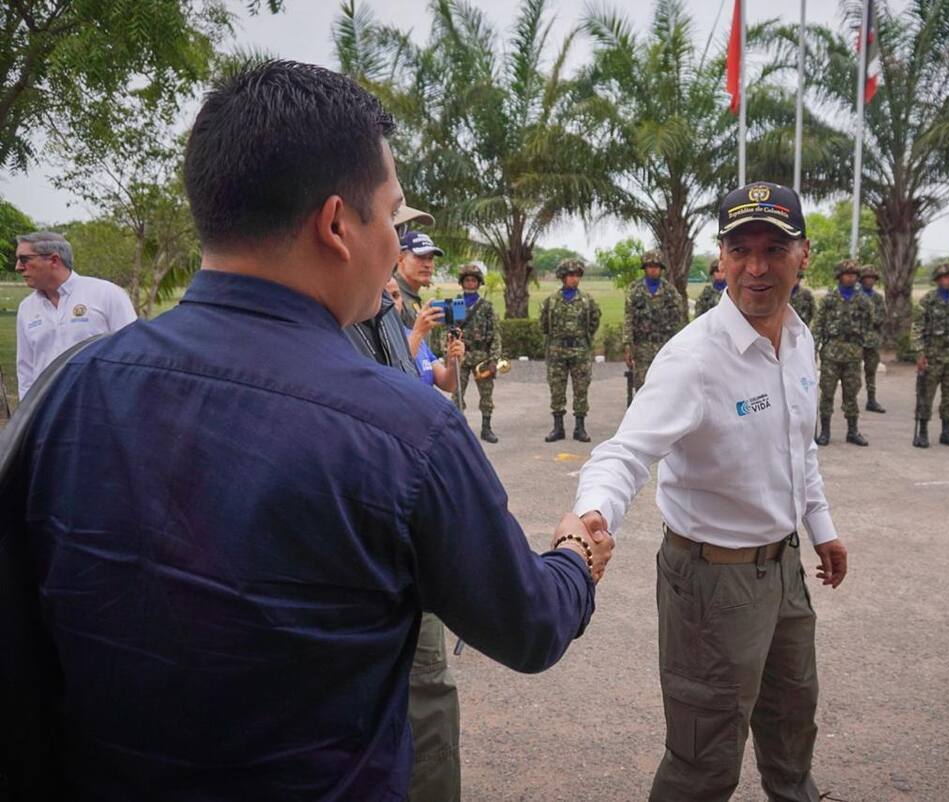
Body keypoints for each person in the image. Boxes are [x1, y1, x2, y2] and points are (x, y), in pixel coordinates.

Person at [0, 60, 613, 800]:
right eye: (391, 216)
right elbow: (529, 625)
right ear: (336, 225)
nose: (396, 244)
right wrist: (576, 556)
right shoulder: (406, 430)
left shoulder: (70, 389)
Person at [574, 181, 847, 802]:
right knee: (705, 758)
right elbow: (625, 452)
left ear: (803, 255)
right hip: (712, 582)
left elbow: (799, 447)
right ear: (719, 258)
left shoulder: (799, 340)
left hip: (784, 569)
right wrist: (592, 514)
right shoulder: (693, 358)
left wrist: (821, 528)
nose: (757, 268)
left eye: (774, 249)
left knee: (791, 724)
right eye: (741, 250)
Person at [345, 274, 468, 802]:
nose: (394, 301)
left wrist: (450, 360)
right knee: (420, 687)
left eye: (397, 296)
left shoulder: (391, 327)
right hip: (379, 541)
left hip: (404, 538)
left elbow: (440, 384)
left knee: (425, 687)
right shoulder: (354, 328)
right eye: (389, 293)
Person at [13, 231, 136, 398]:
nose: (18, 267)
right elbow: (25, 369)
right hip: (47, 407)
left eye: (24, 259)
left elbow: (132, 353)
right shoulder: (27, 307)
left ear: (54, 260)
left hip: (98, 403)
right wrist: (28, 409)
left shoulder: (107, 294)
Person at [911, 262, 949, 448]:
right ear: (938, 280)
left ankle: (946, 431)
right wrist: (920, 353)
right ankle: (923, 431)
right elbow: (917, 328)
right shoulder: (928, 300)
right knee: (925, 395)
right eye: (945, 277)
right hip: (932, 355)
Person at [813, 259, 874, 446]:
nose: (851, 278)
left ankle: (852, 431)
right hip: (831, 353)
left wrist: (864, 346)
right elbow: (819, 325)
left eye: (854, 275)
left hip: (853, 354)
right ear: (839, 276)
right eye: (847, 274)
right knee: (827, 393)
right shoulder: (829, 299)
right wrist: (813, 348)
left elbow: (869, 325)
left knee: (851, 393)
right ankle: (825, 431)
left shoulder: (863, 301)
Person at [541, 258, 601, 443]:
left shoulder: (587, 300)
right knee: (557, 389)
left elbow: (594, 321)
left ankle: (579, 428)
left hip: (580, 350)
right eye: (570, 275)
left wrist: (581, 338)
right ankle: (558, 428)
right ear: (562, 277)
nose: (575, 279)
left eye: (577, 275)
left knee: (581, 389)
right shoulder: (551, 301)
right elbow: (544, 325)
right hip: (557, 350)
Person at [452, 263, 503, 443]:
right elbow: (449, 330)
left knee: (486, 394)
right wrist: (448, 355)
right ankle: (458, 431)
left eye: (474, 280)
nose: (470, 283)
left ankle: (486, 428)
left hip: (482, 356)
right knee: (457, 394)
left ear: (479, 283)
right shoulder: (457, 304)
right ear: (462, 282)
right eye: (467, 280)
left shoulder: (486, 307)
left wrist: (494, 360)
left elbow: (496, 334)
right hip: (461, 356)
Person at [624, 249, 685, 391]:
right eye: (650, 266)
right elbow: (628, 318)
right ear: (645, 268)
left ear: (661, 268)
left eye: (656, 267)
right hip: (642, 347)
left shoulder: (670, 291)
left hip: (665, 346)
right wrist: (627, 346)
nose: (653, 270)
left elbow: (678, 321)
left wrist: (679, 347)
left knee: (665, 385)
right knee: (642, 387)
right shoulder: (635, 290)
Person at [394, 230, 445, 358]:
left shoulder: (412, 297)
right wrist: (418, 332)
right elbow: (393, 357)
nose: (427, 265)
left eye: (430, 258)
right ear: (400, 259)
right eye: (420, 257)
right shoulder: (393, 295)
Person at [858, 264, 887, 413]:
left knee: (871, 372)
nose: (870, 281)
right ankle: (850, 400)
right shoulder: (856, 296)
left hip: (872, 341)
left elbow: (881, 317)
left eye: (872, 278)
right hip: (855, 341)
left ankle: (871, 400)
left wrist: (866, 319)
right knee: (851, 373)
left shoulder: (877, 298)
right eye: (867, 278)